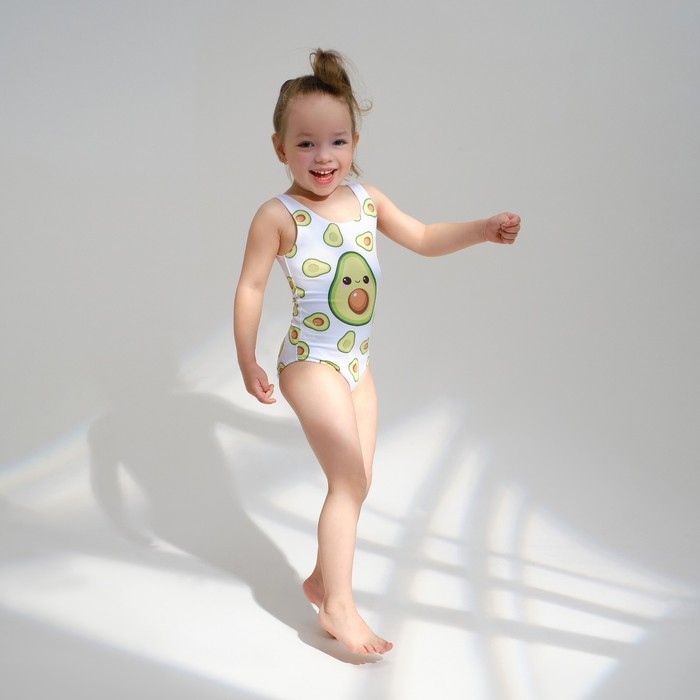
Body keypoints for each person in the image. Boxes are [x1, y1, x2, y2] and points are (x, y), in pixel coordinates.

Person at [233, 48, 520, 656]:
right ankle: (338, 606)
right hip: (309, 361)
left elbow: (423, 236)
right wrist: (247, 359)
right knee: (346, 478)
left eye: (336, 141)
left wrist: (480, 230)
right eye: (306, 144)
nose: (323, 157)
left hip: (356, 366)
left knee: (359, 483)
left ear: (355, 143)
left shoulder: (367, 201)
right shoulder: (277, 216)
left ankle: (320, 579)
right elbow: (251, 287)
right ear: (279, 147)